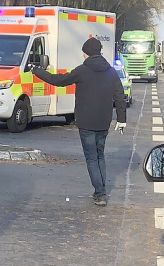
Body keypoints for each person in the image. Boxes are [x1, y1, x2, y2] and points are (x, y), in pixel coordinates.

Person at [31, 37, 127, 206]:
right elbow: (119, 96)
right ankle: (101, 190)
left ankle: (100, 193)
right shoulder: (111, 72)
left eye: (84, 52)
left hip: (86, 122)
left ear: (87, 53)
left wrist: (37, 71)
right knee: (99, 156)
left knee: (91, 158)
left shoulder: (82, 71)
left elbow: (58, 81)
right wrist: (121, 119)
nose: (82, 55)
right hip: (104, 121)